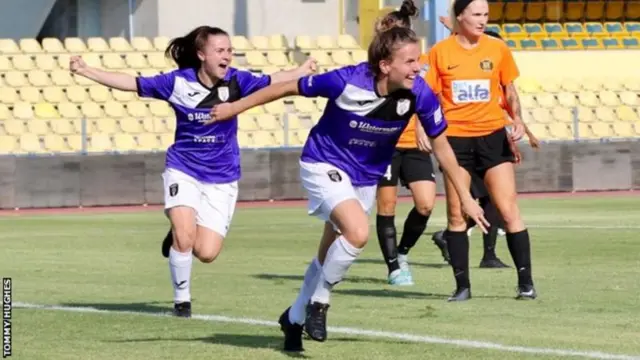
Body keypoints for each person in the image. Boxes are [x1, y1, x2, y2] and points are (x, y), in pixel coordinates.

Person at [206, 25, 488, 352]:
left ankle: (294, 317)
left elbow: (442, 148)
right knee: (357, 232)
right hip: (323, 163)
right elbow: (285, 89)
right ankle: (320, 303)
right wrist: (232, 108)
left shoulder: (420, 93)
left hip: (365, 177)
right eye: (410, 61)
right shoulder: (345, 80)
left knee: (329, 251)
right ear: (385, 65)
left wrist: (466, 198)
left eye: (419, 60)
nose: (418, 67)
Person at [70, 26, 317, 318]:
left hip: (222, 177)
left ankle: (177, 230)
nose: (227, 56)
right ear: (202, 55)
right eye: (220, 51)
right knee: (184, 238)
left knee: (207, 253)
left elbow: (274, 80)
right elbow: (131, 83)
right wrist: (88, 71)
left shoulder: (239, 80)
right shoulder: (177, 83)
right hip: (183, 168)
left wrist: (300, 70)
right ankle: (182, 301)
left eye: (229, 50)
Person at [425, 0, 537, 302]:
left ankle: (526, 283)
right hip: (455, 141)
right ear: (459, 16)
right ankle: (463, 288)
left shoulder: (497, 49)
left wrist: (517, 119)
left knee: (508, 209)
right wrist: (425, 129)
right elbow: (428, 96)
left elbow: (510, 91)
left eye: (485, 14)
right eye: (476, 14)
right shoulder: (440, 52)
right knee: (457, 215)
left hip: (492, 138)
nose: (482, 19)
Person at [373, 0, 442, 286]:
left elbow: (429, 101)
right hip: (384, 145)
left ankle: (402, 252)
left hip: (414, 143)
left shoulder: (420, 68)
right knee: (386, 207)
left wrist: (426, 129)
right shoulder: (376, 68)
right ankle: (393, 268)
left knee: (426, 204)